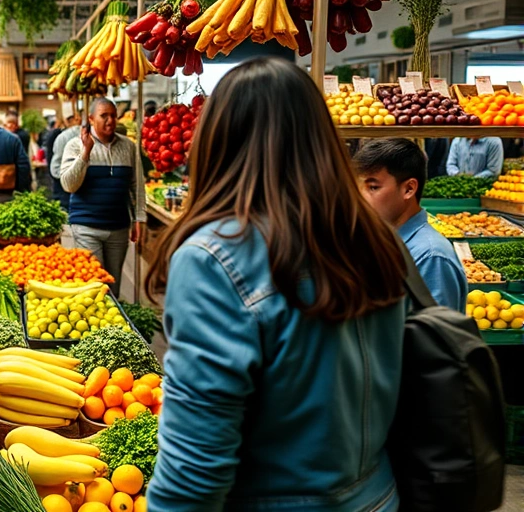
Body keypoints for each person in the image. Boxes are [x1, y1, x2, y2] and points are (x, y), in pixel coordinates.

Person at [144, 58, 408, 511]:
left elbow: (194, 472)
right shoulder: (373, 238)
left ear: (217, 140)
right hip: (378, 495)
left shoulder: (215, 258)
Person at [354, 138, 467, 310]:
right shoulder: (384, 242)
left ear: (408, 189)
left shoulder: (431, 257)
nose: (360, 198)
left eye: (373, 188)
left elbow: (433, 334)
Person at [60, 97, 145, 297]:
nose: (110, 120)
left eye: (113, 116)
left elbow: (137, 185)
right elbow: (69, 185)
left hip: (119, 228)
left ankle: (114, 326)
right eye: (104, 116)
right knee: (94, 285)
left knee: (113, 284)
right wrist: (86, 152)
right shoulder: (75, 145)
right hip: (86, 227)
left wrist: (139, 218)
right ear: (90, 118)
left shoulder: (128, 147)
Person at [48, 120, 82, 212]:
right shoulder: (64, 137)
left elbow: (54, 168)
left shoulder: (62, 136)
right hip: (66, 188)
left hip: (63, 187)